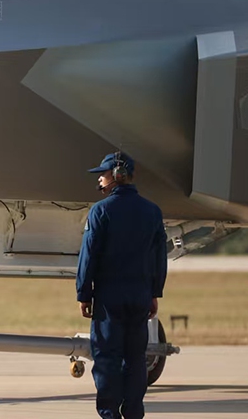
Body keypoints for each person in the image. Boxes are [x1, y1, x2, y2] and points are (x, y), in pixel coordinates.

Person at [76, 152, 168, 419]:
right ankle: (134, 413)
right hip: (140, 296)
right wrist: (154, 293)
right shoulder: (152, 211)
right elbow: (159, 258)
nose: (100, 179)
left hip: (109, 298)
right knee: (135, 357)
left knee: (107, 358)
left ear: (117, 175)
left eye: (103, 174)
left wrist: (84, 293)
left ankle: (109, 414)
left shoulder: (100, 211)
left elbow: (88, 256)